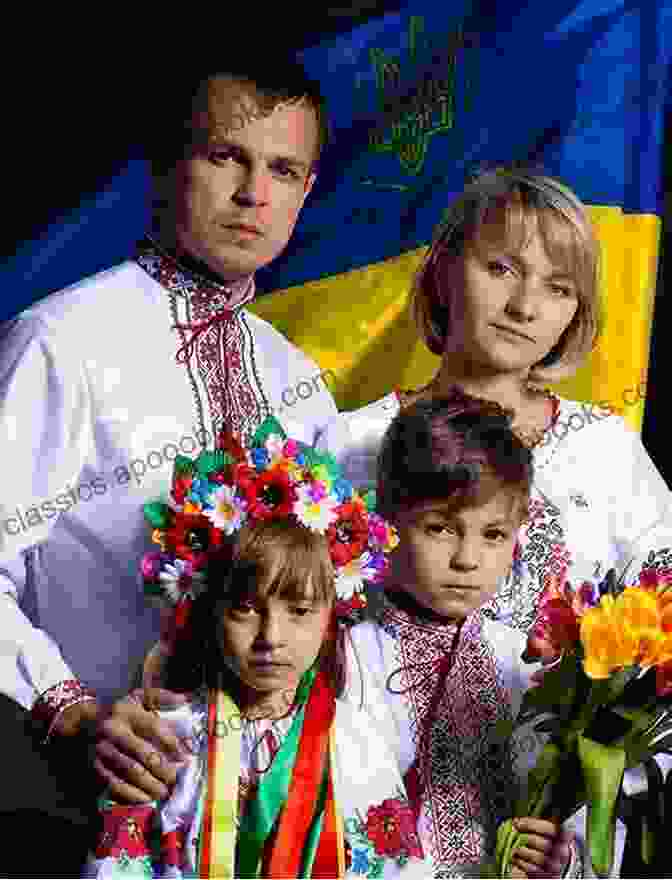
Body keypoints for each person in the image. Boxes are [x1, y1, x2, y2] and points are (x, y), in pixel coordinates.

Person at [0, 54, 338, 876]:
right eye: (227, 157)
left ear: (305, 190)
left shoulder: (300, 384)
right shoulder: (64, 341)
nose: (254, 193)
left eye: (283, 170)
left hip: (270, 831)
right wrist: (74, 717)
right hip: (75, 801)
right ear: (164, 167)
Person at [318, 167, 672, 634]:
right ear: (445, 270)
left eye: (558, 287)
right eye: (502, 269)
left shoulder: (602, 447)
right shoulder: (354, 440)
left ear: (575, 313)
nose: (524, 306)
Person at [84, 418, 432, 878]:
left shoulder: (353, 740)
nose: (272, 637)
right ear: (210, 609)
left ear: (332, 614)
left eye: (301, 611)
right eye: (246, 609)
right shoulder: (168, 735)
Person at [345, 394, 619, 877]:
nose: (468, 560)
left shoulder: (528, 666)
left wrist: (563, 860)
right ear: (388, 522)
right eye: (441, 528)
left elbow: (585, 828)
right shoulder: (344, 658)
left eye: (492, 534)